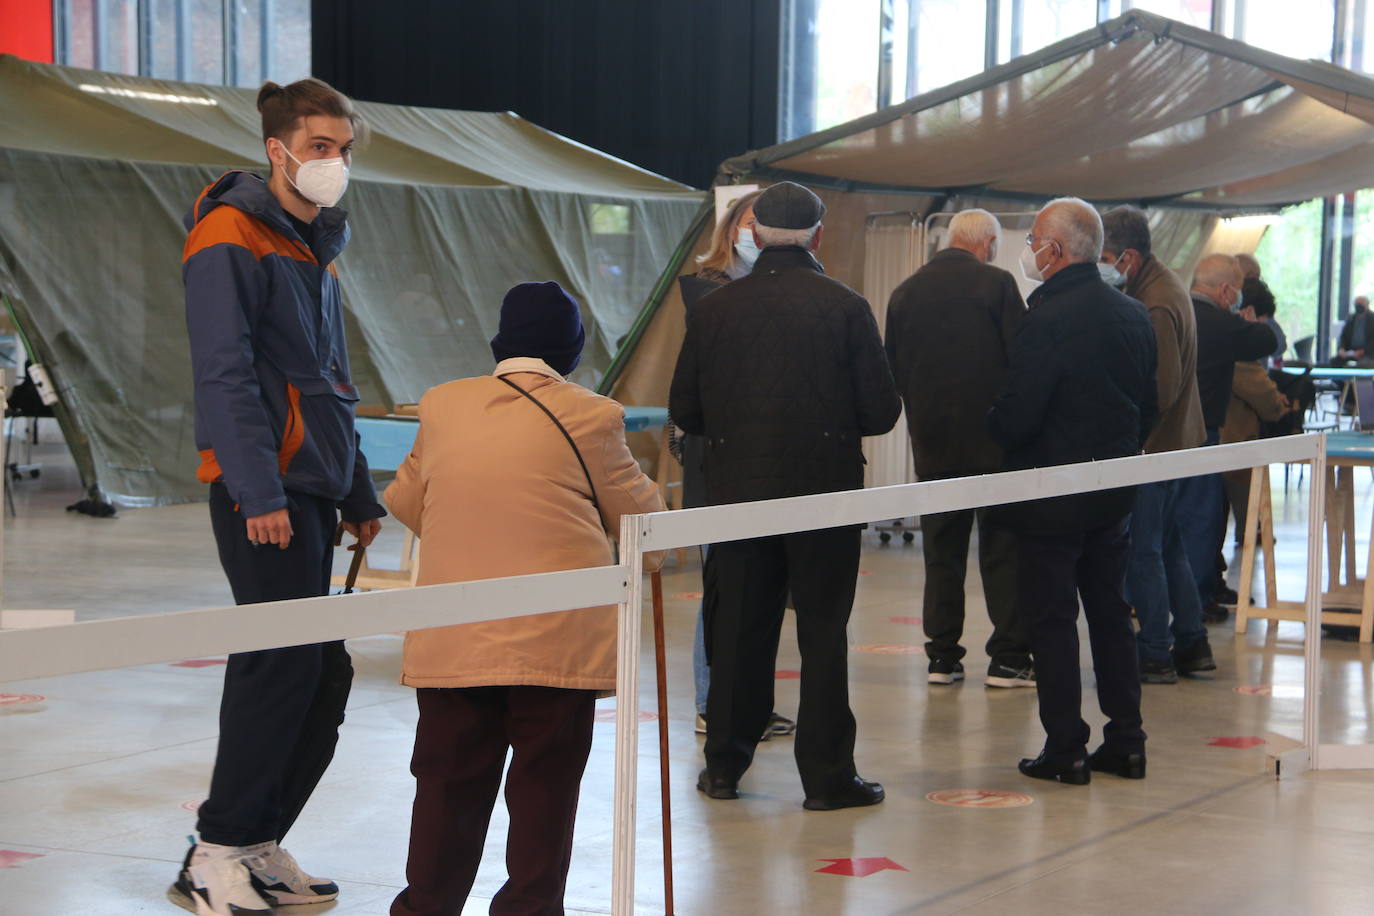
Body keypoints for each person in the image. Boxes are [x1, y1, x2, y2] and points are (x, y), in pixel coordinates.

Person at [384, 282, 665, 916]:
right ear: (571, 351)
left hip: (453, 635)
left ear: (500, 342)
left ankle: (425, 907)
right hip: (555, 642)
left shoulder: (442, 404)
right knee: (543, 791)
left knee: (445, 786)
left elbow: (405, 501)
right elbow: (649, 529)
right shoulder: (595, 415)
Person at [174, 78, 385, 916]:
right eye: (323, 147)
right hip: (261, 493)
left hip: (314, 492)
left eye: (343, 149)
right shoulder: (228, 235)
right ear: (279, 149)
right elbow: (223, 374)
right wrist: (255, 487)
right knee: (274, 669)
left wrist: (358, 489)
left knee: (318, 675)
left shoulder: (311, 247)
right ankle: (216, 850)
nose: (335, 163)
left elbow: (329, 384)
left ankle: (257, 839)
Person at [669, 181, 901, 809]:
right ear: (819, 235)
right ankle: (828, 779)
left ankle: (723, 766)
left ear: (754, 232)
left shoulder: (713, 310)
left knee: (740, 627)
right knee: (824, 632)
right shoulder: (847, 307)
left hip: (739, 493)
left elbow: (685, 409)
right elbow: (880, 413)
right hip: (825, 496)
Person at [987, 198, 1158, 786]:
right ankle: (1127, 741)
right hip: (1112, 496)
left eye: (1034, 239)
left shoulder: (1047, 317)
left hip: (1051, 497)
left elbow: (1021, 414)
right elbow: (1149, 408)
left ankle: (1066, 747)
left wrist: (992, 424)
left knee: (1053, 620)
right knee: (1111, 614)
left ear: (1054, 250)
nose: (1029, 250)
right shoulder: (1133, 314)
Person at [884, 209, 1032, 688]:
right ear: (987, 242)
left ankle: (942, 659)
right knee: (1003, 551)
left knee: (941, 554)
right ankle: (1008, 658)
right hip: (994, 445)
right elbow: (1022, 360)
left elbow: (894, 372)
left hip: (933, 446)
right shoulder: (998, 285)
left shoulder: (904, 293)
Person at [674, 190, 795, 741]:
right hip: (717, 465)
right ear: (732, 229)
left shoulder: (777, 289)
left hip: (767, 464)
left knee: (761, 592)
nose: (758, 231)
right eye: (752, 221)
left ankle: (748, 699)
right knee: (721, 589)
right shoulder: (707, 290)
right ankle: (711, 699)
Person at [1100, 206, 1212, 686]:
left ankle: (1155, 651)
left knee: (1143, 551)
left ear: (1127, 256)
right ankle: (1191, 641)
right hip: (1176, 442)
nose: (1098, 266)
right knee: (1169, 547)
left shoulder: (1155, 304)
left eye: (1103, 257)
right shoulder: (1161, 285)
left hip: (1156, 446)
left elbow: (1160, 389)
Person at [1175, 255, 1277, 623]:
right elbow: (1268, 338)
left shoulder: (1173, 311)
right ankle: (1197, 598)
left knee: (1160, 522)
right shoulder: (1222, 323)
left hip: (1162, 434)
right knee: (1202, 517)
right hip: (1203, 433)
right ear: (1225, 290)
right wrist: (1244, 319)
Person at [1337, 295, 1372, 364]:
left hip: (1368, 353)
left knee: (1363, 364)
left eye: (1360, 304)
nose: (1358, 306)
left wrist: (1363, 351)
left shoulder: (1372, 319)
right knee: (1335, 361)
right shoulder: (1351, 318)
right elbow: (1343, 336)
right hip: (1351, 351)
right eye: (1356, 304)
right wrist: (1342, 349)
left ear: (1367, 305)